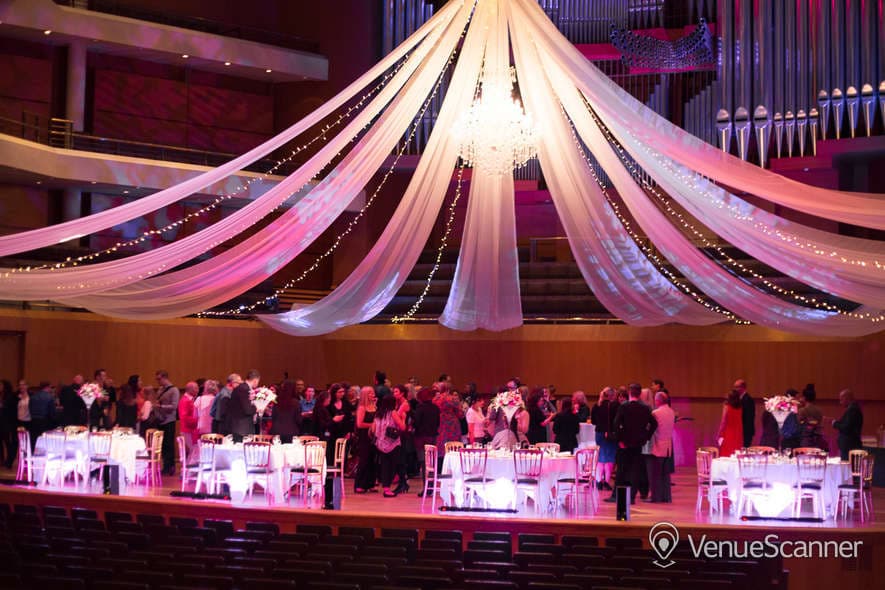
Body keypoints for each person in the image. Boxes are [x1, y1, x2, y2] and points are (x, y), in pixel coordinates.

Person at [606, 383, 656, 505]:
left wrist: (620, 439)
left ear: (629, 393)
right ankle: (632, 497)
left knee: (621, 471)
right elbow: (653, 424)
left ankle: (616, 496)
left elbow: (616, 424)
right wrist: (646, 437)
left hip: (625, 443)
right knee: (635, 471)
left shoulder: (624, 406)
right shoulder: (645, 407)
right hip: (638, 443)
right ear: (639, 394)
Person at [373, 395, 407, 497]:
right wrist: (404, 418)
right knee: (394, 466)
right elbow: (402, 427)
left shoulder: (378, 414)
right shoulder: (393, 413)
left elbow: (374, 429)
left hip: (380, 443)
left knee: (385, 466)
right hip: (392, 443)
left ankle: (386, 488)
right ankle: (397, 485)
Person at [646, 392, 674, 503]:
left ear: (658, 401)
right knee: (665, 474)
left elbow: (650, 428)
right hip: (667, 447)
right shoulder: (671, 412)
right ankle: (666, 497)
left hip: (657, 446)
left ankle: (655, 497)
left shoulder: (655, 413)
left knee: (654, 474)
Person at [413, 386, 440, 492]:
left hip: (422, 438)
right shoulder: (436, 408)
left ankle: (426, 488)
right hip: (433, 436)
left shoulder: (420, 407)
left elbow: (416, 423)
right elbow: (438, 423)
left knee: (424, 463)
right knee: (432, 462)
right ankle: (431, 486)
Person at [591, 387, 618, 491]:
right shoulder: (615, 406)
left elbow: (593, 421)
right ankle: (606, 481)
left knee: (601, 457)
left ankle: (598, 481)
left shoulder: (596, 406)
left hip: (599, 433)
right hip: (611, 434)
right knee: (610, 458)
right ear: (611, 395)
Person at [154, 370, 180, 475]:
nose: (158, 381)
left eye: (159, 379)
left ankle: (171, 466)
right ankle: (165, 466)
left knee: (169, 444)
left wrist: (161, 406)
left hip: (169, 420)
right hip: (160, 420)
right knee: (163, 445)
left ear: (165, 377)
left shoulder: (174, 390)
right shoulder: (160, 390)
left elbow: (174, 406)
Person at [354, 386, 377, 493]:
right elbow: (359, 424)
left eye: (373, 393)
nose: (373, 395)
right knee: (364, 460)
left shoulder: (374, 406)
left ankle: (370, 483)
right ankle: (360, 484)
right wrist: (372, 425)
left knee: (373, 460)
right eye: (370, 393)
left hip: (373, 436)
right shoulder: (362, 408)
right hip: (364, 437)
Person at [228, 370, 259, 442]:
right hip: (242, 428)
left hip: (240, 427)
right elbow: (247, 410)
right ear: (255, 380)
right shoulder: (244, 389)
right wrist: (257, 408)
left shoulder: (241, 388)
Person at [833, 389, 863, 460]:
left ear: (846, 398)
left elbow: (846, 427)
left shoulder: (853, 409)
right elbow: (847, 424)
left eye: (841, 400)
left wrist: (834, 423)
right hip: (848, 446)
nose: (840, 403)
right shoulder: (853, 409)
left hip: (849, 447)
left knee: (847, 468)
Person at [434, 384, 463, 456]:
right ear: (448, 390)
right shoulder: (452, 399)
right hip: (453, 424)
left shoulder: (435, 399)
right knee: (453, 446)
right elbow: (460, 414)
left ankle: (441, 463)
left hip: (440, 422)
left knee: (441, 443)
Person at [798, 384, 827, 450]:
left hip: (806, 438)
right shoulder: (819, 410)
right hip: (818, 438)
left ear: (804, 398)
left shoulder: (802, 410)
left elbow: (800, 424)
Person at [717, 389, 744, 457]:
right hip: (738, 433)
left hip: (728, 433)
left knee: (726, 454)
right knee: (736, 454)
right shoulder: (740, 407)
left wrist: (719, 434)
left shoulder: (727, 407)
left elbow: (723, 422)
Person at [28, 381, 56, 446]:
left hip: (33, 422)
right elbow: (52, 413)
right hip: (45, 422)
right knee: (44, 441)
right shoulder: (49, 397)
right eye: (50, 387)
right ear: (47, 387)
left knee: (34, 440)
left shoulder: (33, 397)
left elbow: (30, 408)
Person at [178, 381, 199, 458]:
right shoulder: (185, 401)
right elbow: (185, 417)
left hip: (190, 430)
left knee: (193, 451)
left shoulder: (189, 400)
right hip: (188, 430)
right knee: (193, 451)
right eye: (196, 388)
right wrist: (198, 421)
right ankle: (189, 468)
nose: (198, 390)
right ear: (190, 389)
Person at [0, 380, 17, 469]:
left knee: (7, 442)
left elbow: (11, 410)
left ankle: (9, 460)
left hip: (6, 423)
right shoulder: (1, 395)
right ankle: (2, 460)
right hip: (1, 421)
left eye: (1, 385)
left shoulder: (10, 396)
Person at [734, 379, 755, 447]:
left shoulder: (748, 399)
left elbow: (749, 417)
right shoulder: (737, 399)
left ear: (743, 387)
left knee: (744, 449)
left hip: (746, 431)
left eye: (737, 387)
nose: (735, 389)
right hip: (739, 430)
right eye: (735, 387)